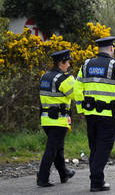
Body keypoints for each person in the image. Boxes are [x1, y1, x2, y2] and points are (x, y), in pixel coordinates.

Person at [74, 36, 115, 192]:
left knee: (95, 148)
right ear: (111, 49)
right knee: (103, 148)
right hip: (108, 116)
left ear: (98, 49)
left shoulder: (86, 64)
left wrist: (80, 109)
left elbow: (77, 89)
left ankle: (98, 179)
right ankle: (96, 182)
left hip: (90, 114)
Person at [37, 49, 76, 187]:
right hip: (59, 120)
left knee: (58, 148)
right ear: (61, 62)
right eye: (68, 62)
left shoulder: (44, 76)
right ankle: (42, 178)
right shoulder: (63, 79)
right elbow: (76, 95)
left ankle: (64, 173)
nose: (69, 65)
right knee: (52, 149)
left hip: (45, 119)